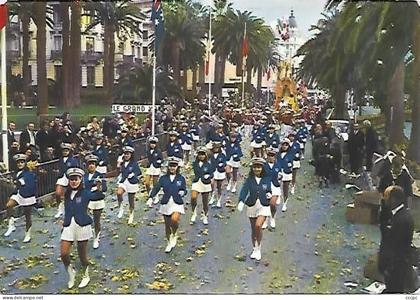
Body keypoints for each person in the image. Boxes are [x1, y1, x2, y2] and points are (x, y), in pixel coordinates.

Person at [379, 186, 419, 293]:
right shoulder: (396, 215)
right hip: (394, 265)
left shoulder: (402, 219)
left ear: (394, 200)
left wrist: (389, 266)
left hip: (396, 267)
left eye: (386, 197)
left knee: (395, 290)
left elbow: (395, 245)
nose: (384, 200)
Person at [60, 168, 94, 289]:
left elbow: (98, 196)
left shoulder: (85, 192)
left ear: (80, 180)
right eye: (71, 179)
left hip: (82, 225)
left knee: (82, 255)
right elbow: (67, 209)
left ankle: (86, 275)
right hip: (69, 224)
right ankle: (71, 273)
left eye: (76, 179)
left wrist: (100, 186)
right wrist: (64, 221)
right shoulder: (67, 193)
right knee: (64, 253)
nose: (73, 181)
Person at [148, 157, 187, 253]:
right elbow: (156, 188)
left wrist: (183, 192)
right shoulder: (163, 178)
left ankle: (175, 233)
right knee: (167, 224)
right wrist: (150, 197)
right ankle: (169, 242)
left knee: (174, 220)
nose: (172, 168)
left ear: (177, 167)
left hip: (176, 202)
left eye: (174, 166)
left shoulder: (180, 178)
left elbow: (184, 189)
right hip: (166, 203)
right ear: (168, 167)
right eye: (170, 166)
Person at [237, 157, 272, 261]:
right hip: (252, 205)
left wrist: (269, 194)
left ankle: (259, 248)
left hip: (263, 205)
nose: (257, 169)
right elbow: (244, 191)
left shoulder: (266, 179)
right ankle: (254, 248)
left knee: (258, 226)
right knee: (253, 228)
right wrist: (241, 201)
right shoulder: (249, 180)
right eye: (255, 167)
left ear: (262, 168)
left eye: (259, 167)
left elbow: (268, 189)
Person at [3, 154, 37, 242]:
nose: (20, 164)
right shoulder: (16, 173)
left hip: (27, 195)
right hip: (18, 193)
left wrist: (17, 182)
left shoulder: (29, 173)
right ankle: (11, 224)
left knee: (27, 216)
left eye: (22, 162)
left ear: (25, 163)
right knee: (9, 205)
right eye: (18, 162)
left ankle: (28, 234)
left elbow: (28, 183)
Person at [83, 155, 107, 249]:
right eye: (89, 164)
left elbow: (104, 189)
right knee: (87, 219)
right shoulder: (83, 176)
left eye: (93, 164)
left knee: (96, 220)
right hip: (87, 201)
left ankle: (96, 238)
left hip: (97, 200)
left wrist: (99, 186)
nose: (91, 166)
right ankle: (89, 234)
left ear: (96, 165)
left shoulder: (100, 175)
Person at [116, 146, 142, 224]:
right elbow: (118, 172)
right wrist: (118, 164)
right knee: (119, 193)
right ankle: (121, 208)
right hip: (123, 181)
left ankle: (131, 214)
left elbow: (139, 172)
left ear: (131, 155)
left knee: (131, 200)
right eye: (125, 154)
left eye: (128, 154)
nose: (126, 155)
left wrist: (133, 174)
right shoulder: (122, 163)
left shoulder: (134, 163)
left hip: (132, 182)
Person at [189, 147, 214, 225]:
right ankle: (194, 213)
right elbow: (191, 172)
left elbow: (211, 174)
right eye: (200, 154)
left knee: (205, 201)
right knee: (193, 198)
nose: (201, 156)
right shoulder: (194, 163)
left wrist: (208, 176)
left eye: (203, 154)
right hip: (196, 182)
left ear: (205, 155)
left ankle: (205, 216)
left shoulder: (208, 164)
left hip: (205, 183)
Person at [55, 143, 80, 219]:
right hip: (61, 177)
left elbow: (76, 169)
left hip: (70, 178)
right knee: (58, 193)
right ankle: (59, 210)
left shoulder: (73, 160)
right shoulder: (60, 159)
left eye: (67, 151)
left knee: (70, 195)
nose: (65, 152)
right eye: (64, 151)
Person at [263, 147, 282, 229]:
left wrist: (280, 177)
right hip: (266, 186)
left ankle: (272, 217)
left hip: (275, 186)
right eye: (269, 155)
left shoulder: (278, 165)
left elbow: (280, 176)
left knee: (272, 204)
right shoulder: (264, 166)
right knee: (265, 204)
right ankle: (266, 220)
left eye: (273, 155)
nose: (271, 157)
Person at [145, 136, 163, 206]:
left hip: (156, 168)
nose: (152, 144)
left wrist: (159, 161)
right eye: (151, 143)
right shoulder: (147, 151)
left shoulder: (158, 151)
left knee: (155, 184)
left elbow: (161, 159)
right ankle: (150, 195)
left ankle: (156, 196)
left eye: (154, 143)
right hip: (149, 167)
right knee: (147, 183)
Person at [277, 139, 294, 212]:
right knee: (277, 186)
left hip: (287, 173)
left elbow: (291, 164)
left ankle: (285, 203)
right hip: (279, 172)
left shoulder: (291, 154)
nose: (284, 146)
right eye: (283, 144)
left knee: (285, 188)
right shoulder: (278, 154)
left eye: (286, 145)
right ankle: (278, 196)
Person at [209, 141, 227, 208]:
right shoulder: (211, 155)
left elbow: (225, 162)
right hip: (213, 172)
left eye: (217, 148)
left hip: (220, 172)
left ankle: (219, 200)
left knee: (219, 186)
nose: (216, 149)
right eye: (215, 148)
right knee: (212, 184)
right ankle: (212, 196)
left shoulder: (222, 155)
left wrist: (222, 165)